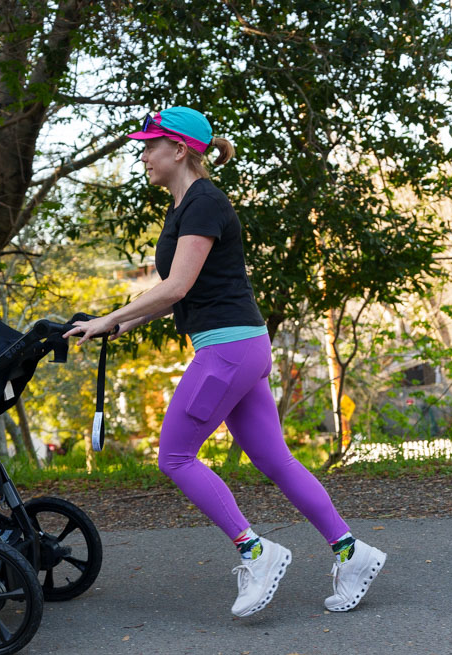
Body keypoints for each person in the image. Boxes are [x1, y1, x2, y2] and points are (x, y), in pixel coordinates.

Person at [64, 107, 386, 617]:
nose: (144, 155)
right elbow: (176, 297)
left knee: (174, 456)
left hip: (227, 351)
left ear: (181, 149)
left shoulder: (204, 202)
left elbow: (176, 286)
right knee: (273, 459)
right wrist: (112, 326)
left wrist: (108, 317)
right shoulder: (184, 208)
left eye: (151, 145)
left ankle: (256, 551)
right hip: (240, 346)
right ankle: (353, 552)